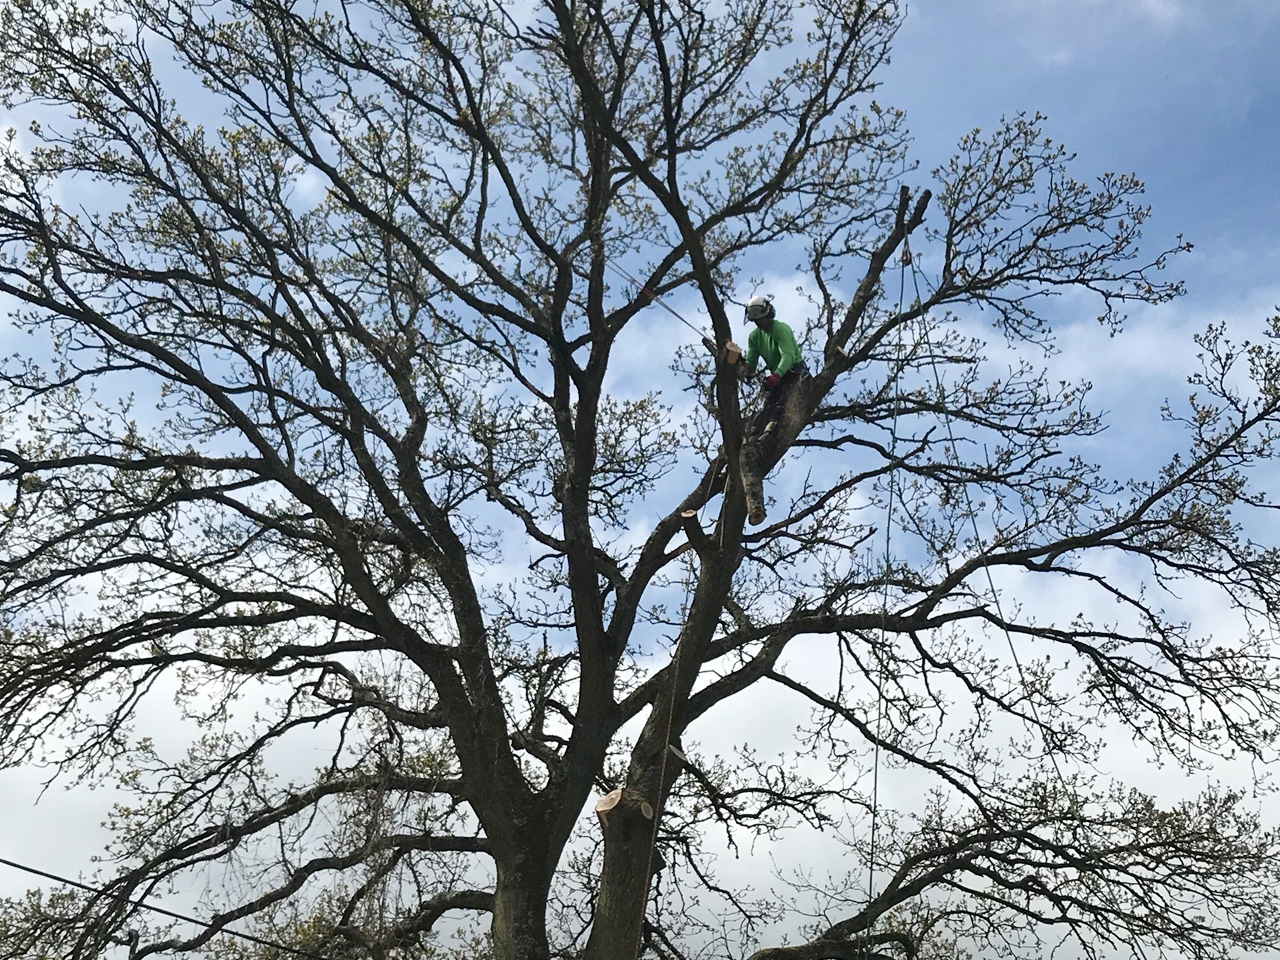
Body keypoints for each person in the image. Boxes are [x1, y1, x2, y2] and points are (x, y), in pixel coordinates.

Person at [742, 295, 808, 438]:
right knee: (763, 411)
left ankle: (770, 434)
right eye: (756, 321)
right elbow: (751, 364)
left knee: (780, 410)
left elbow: (788, 356)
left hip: (795, 373)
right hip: (777, 377)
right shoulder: (754, 337)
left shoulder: (781, 329)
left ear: (769, 314)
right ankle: (755, 436)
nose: (759, 324)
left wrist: (776, 375)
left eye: (761, 320)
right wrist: (743, 368)